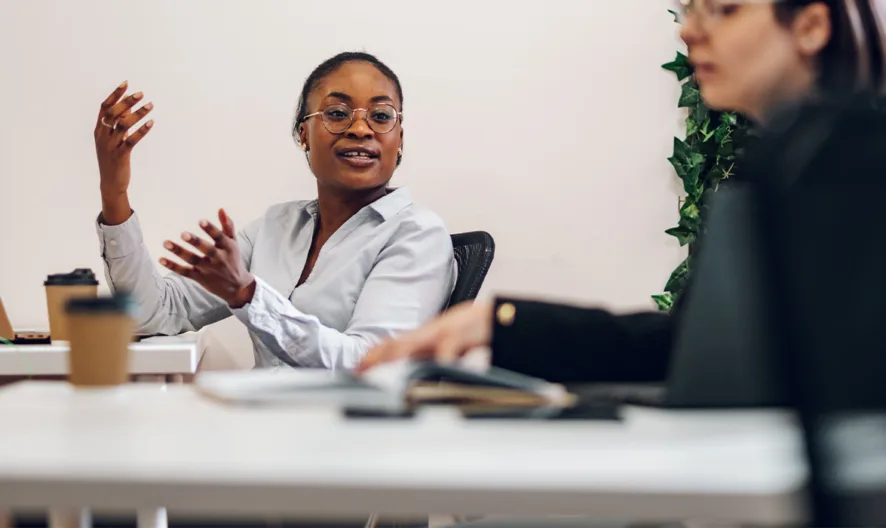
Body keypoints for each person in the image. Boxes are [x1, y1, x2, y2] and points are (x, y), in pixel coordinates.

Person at [358, 0, 886, 381]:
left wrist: (502, 323)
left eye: (724, 9)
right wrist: (498, 322)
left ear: (812, 25)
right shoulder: (786, 161)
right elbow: (695, 349)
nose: (689, 32)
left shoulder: (850, 167)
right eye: (691, 9)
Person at [93, 52, 457, 370]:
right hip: (262, 430)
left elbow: (368, 364)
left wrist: (249, 296)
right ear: (303, 135)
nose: (361, 128)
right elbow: (154, 314)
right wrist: (114, 191)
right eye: (337, 113)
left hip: (345, 441)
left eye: (380, 115)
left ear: (400, 139)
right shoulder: (276, 227)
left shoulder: (416, 233)